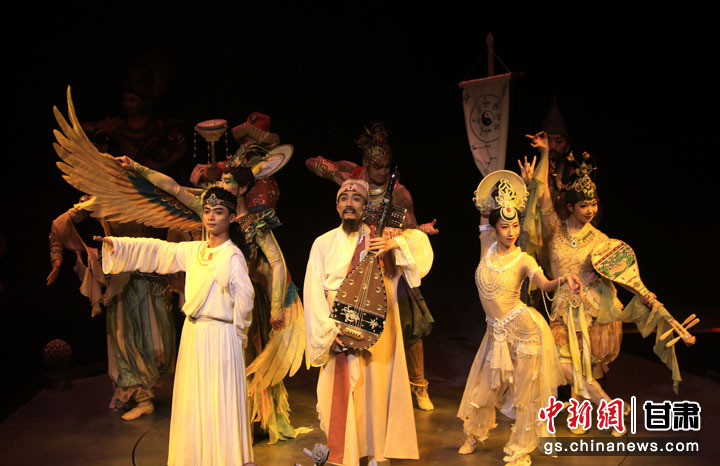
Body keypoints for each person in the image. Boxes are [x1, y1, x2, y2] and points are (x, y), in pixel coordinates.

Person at [114, 154, 307, 444]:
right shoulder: (212, 210)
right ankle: (216, 426)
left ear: (243, 189)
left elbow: (277, 263)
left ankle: (245, 425)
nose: (222, 185)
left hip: (243, 301)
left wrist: (277, 305)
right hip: (212, 297)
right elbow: (174, 188)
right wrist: (137, 167)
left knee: (244, 363)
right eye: (222, 180)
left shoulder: (256, 222)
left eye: (228, 181)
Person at [520, 132, 681, 435]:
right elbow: (541, 197)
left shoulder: (601, 240)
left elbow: (622, 273)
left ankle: (580, 416)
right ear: (570, 207)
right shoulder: (554, 229)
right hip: (562, 307)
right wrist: (544, 155)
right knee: (564, 363)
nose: (590, 210)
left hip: (593, 310)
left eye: (593, 204)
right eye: (584, 205)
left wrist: (645, 295)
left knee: (583, 364)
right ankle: (610, 408)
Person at [97, 187, 255, 465]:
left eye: (218, 212)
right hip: (193, 335)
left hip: (220, 336)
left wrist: (237, 337)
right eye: (207, 211)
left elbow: (245, 300)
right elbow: (159, 250)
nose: (211, 217)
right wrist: (117, 245)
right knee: (193, 401)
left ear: (231, 218)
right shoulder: (195, 251)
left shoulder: (232, 256)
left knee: (218, 401)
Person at [305, 121, 437, 410]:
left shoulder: (398, 192)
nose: (383, 172)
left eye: (387, 166)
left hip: (385, 257)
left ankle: (418, 385)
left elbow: (411, 228)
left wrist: (405, 234)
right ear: (366, 163)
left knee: (408, 322)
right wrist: (338, 176)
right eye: (377, 166)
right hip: (354, 252)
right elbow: (311, 162)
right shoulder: (353, 177)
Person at [303, 179, 433, 466]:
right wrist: (327, 331)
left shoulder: (380, 238)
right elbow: (312, 291)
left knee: (375, 391)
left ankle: (375, 453)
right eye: (344, 198)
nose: (349, 203)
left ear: (365, 207)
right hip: (339, 327)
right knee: (339, 395)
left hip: (377, 330)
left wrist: (393, 243)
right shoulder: (323, 243)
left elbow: (420, 247)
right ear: (337, 206)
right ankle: (345, 455)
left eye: (356, 199)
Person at [457, 172, 578, 465]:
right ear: (494, 229)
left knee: (526, 394)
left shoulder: (523, 259)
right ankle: (473, 434)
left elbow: (544, 284)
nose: (511, 232)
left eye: (515, 226)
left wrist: (562, 280)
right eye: (504, 226)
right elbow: (483, 211)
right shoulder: (486, 247)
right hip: (495, 333)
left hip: (525, 333)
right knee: (484, 388)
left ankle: (520, 449)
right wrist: (501, 186)